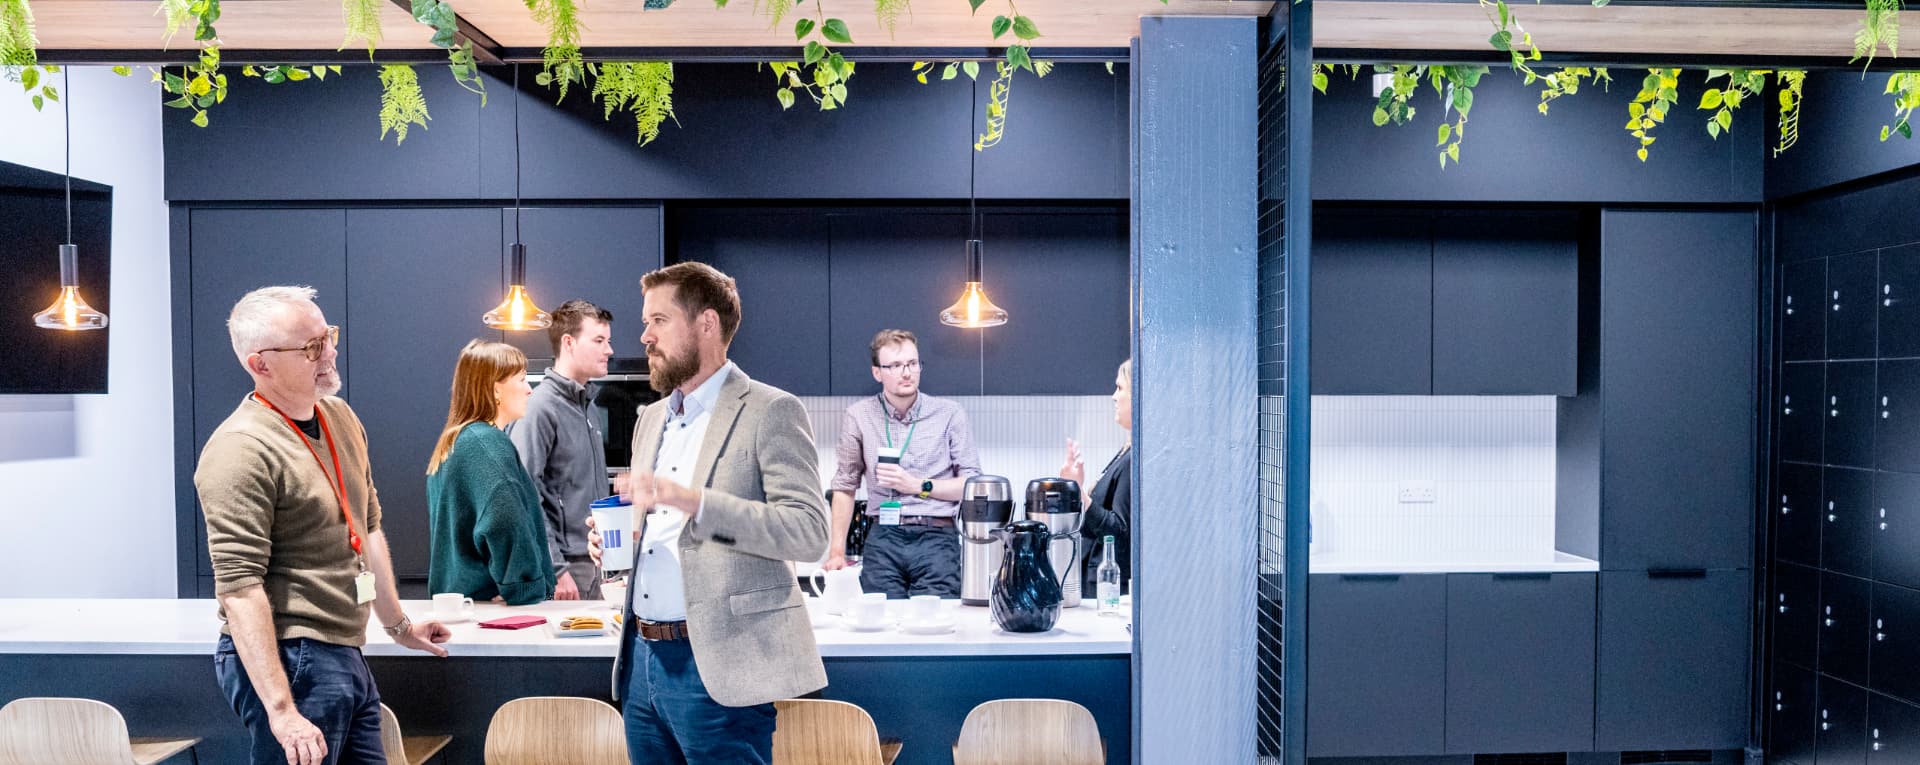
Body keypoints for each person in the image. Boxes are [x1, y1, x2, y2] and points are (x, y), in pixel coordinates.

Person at [196, 286, 452, 765]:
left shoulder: (339, 417)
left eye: (328, 336)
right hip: (291, 657)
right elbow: (239, 589)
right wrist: (281, 711)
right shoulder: (239, 449)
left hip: (344, 650)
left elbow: (366, 527)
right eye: (311, 347)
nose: (330, 352)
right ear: (260, 364)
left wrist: (398, 626)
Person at [590, 261, 830, 764]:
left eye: (659, 320)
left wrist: (692, 501)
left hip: (721, 664)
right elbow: (659, 529)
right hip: (641, 661)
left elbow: (809, 532)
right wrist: (620, 540)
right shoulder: (651, 419)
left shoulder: (771, 410)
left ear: (706, 323)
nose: (645, 336)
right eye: (647, 322)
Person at [821, 329, 983, 598]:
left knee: (936, 619)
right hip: (883, 538)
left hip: (936, 537)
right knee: (880, 620)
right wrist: (836, 551)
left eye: (912, 363)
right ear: (877, 373)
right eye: (895, 366)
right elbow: (845, 485)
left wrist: (918, 485)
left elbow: (972, 485)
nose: (906, 373)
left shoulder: (949, 413)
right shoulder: (858, 416)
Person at [426, 340, 558, 605]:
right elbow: (504, 521)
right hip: (494, 609)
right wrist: (522, 586)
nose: (529, 389)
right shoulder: (486, 443)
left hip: (462, 606)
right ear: (496, 388)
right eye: (521, 379)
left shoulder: (454, 442)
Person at [509, 299, 616, 601]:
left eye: (608, 341)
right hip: (566, 570)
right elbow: (522, 495)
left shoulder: (589, 407)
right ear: (568, 343)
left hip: (596, 563)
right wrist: (556, 569)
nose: (609, 350)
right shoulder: (540, 408)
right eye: (599, 341)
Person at [1060, 359, 1134, 594]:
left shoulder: (1135, 460)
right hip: (1101, 584)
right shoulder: (1127, 453)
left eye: (1120, 388)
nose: (1114, 396)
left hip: (1111, 590)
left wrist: (1079, 493)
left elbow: (1120, 533)